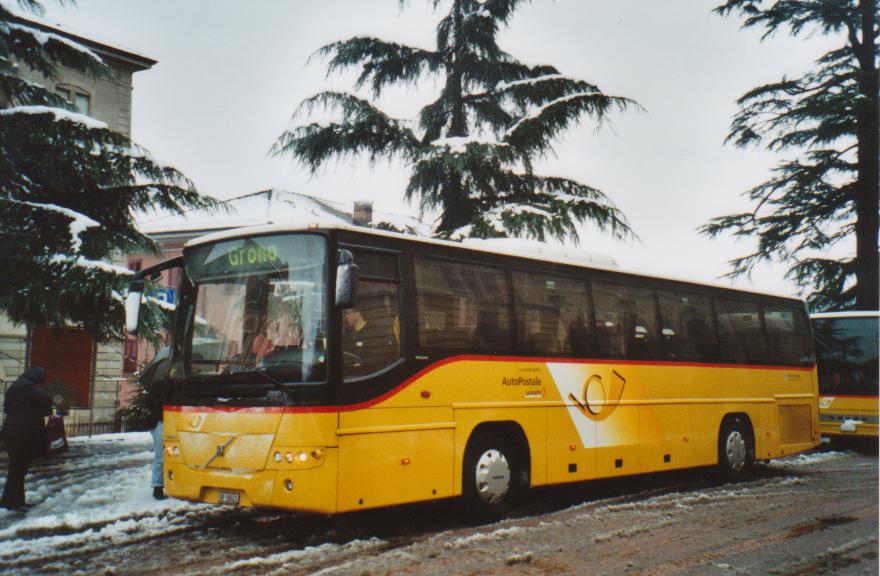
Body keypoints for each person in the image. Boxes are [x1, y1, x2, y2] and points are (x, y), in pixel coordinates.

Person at [1, 367, 52, 510]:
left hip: (11, 430)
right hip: (22, 433)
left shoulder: (16, 386)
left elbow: (7, 408)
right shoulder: (30, 388)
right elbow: (47, 403)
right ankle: (13, 502)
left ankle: (11, 500)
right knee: (19, 469)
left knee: (16, 468)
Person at [141, 348, 170, 500]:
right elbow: (150, 404)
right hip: (160, 423)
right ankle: (157, 488)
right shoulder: (157, 385)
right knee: (161, 456)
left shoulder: (171, 383)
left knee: (169, 455)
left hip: (167, 423)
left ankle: (166, 485)